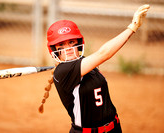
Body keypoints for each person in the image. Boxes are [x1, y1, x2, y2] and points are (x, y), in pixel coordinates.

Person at [39, 4, 150, 133]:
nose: (68, 48)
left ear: (78, 43)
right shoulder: (62, 72)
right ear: (54, 50)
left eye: (71, 42)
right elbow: (104, 54)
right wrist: (132, 27)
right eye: (61, 45)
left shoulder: (86, 63)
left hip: (114, 128)